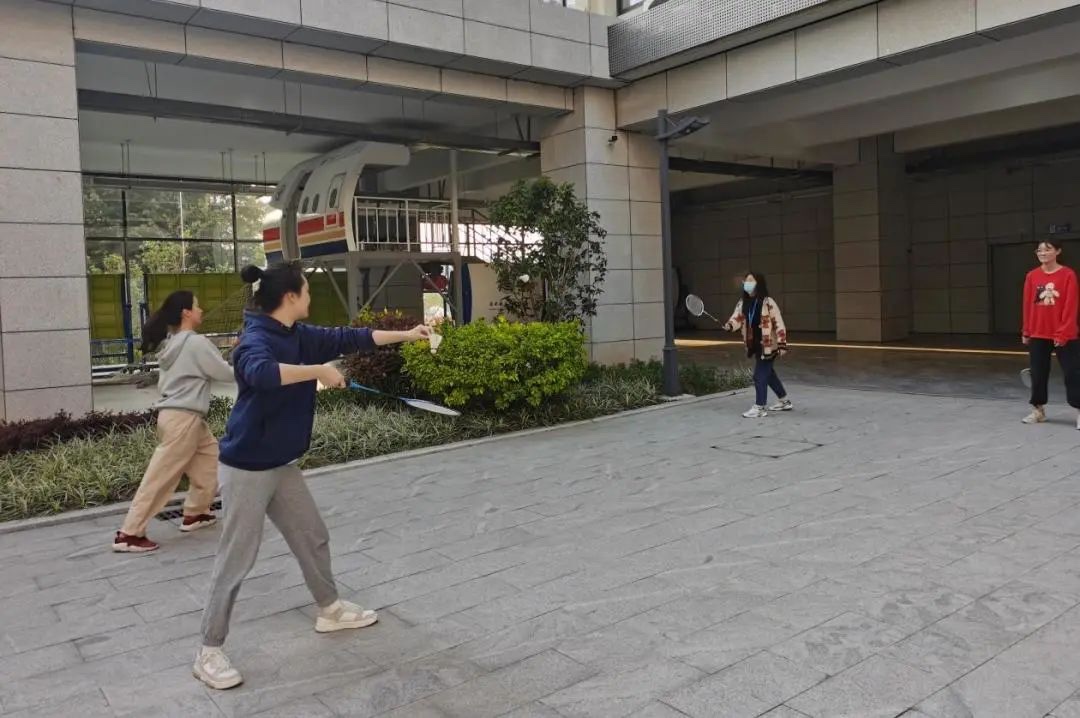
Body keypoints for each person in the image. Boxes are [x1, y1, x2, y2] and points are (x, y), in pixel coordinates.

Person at [194, 261, 431, 690]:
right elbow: (261, 374)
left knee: (312, 535)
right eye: (306, 290)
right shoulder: (255, 339)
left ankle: (330, 609)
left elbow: (352, 337)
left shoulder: (298, 335)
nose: (310, 296)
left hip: (281, 464)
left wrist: (408, 335)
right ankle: (208, 649)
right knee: (236, 558)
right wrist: (318, 371)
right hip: (247, 467)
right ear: (290, 297)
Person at [113, 291, 235, 553]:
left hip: (181, 417)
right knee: (161, 478)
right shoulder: (196, 343)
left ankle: (196, 513)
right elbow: (224, 373)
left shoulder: (172, 344)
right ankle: (130, 533)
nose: (201, 310)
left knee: (211, 463)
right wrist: (256, 369)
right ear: (186, 313)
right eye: (197, 306)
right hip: (184, 419)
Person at [1022, 239, 1080, 426]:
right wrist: (1027, 330)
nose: (1042, 253)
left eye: (1047, 249)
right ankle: (1038, 410)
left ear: (1058, 251)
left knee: (1072, 373)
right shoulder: (1032, 276)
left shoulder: (1068, 275)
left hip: (1065, 334)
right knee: (1038, 373)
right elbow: (1027, 305)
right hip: (1038, 333)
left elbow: (1071, 306)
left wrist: (1063, 333)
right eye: (1039, 250)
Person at [722, 272, 791, 418]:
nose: (747, 283)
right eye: (746, 281)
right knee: (768, 374)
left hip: (769, 345)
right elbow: (737, 318)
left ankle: (760, 407)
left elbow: (779, 323)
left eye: (750, 281)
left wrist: (782, 344)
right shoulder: (743, 302)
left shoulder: (768, 302)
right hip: (754, 344)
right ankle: (784, 401)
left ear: (758, 283)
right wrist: (730, 325)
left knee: (759, 376)